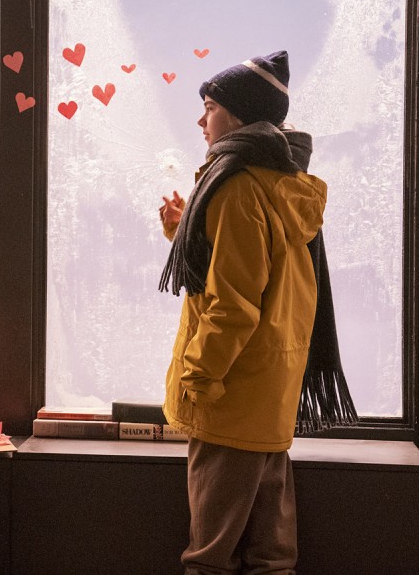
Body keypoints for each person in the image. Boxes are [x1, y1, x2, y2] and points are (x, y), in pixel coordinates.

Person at [158, 51, 327, 574]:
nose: (201, 120)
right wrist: (185, 230)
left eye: (209, 107)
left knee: (209, 557)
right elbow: (259, 273)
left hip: (230, 396)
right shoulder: (281, 182)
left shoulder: (235, 186)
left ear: (236, 115)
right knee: (272, 558)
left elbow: (233, 305)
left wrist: (198, 376)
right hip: (269, 393)